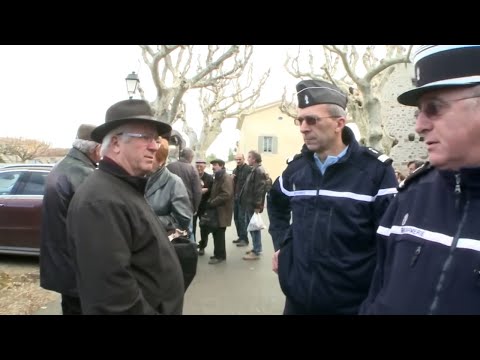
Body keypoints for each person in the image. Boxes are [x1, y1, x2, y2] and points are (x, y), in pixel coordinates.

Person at [360, 45, 480, 315]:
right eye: (418, 112)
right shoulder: (411, 197)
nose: (419, 125)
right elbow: (377, 293)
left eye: (434, 108)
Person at [269, 79, 398, 315]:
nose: (303, 128)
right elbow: (276, 201)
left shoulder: (376, 171)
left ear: (340, 123)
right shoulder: (295, 169)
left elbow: (390, 244)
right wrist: (282, 245)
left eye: (312, 120)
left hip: (352, 305)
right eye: (300, 120)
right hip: (297, 302)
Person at [66, 99, 184, 315]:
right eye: (145, 137)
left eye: (156, 139)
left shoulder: (124, 187)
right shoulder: (101, 201)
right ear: (116, 143)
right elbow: (112, 300)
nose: (155, 146)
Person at [39, 124, 101, 315]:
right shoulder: (84, 174)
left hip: (63, 260)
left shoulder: (63, 165)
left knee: (70, 307)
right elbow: (95, 225)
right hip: (78, 264)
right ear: (96, 148)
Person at [145, 137, 192, 233]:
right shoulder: (136, 177)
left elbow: (182, 220)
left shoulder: (174, 182)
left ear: (161, 161)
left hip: (161, 241)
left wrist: (147, 221)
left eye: (150, 156)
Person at [198, 159, 234, 264]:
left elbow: (226, 194)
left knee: (219, 234)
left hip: (222, 211)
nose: (213, 167)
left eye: (215, 165)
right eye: (212, 165)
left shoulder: (225, 177)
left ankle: (220, 256)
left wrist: (212, 202)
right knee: (216, 233)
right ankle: (218, 254)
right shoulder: (218, 177)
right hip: (217, 211)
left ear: (222, 166)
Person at [167, 148, 202, 242]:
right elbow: (197, 191)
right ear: (190, 157)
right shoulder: (192, 169)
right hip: (187, 206)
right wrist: (195, 208)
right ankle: (190, 252)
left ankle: (174, 254)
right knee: (188, 232)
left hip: (170, 206)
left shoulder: (169, 167)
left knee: (172, 232)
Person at [239, 150, 268, 259]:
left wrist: (257, 206)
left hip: (252, 205)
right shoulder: (254, 170)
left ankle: (256, 251)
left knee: (254, 227)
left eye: (249, 157)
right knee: (251, 226)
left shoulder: (259, 171)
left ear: (254, 159)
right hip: (249, 204)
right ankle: (256, 247)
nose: (248, 159)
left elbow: (259, 190)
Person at [192, 159, 213, 256]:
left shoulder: (209, 177)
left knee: (204, 227)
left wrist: (207, 190)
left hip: (204, 206)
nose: (199, 168)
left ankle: (202, 246)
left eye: (201, 166)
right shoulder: (192, 176)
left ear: (205, 167)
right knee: (191, 227)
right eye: (197, 166)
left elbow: (212, 190)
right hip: (193, 205)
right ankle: (192, 245)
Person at [232, 153, 251, 246]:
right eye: (237, 159)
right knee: (236, 218)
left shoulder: (248, 169)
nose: (238, 161)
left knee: (241, 218)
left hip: (244, 198)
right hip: (235, 197)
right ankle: (240, 237)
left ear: (244, 159)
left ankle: (244, 239)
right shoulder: (235, 170)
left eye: (240, 159)